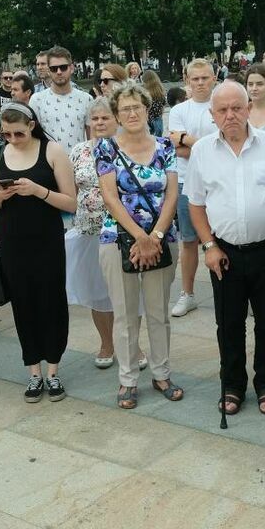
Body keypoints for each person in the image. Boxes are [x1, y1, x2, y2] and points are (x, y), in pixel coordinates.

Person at [187, 81, 265, 416]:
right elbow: (197, 205)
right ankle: (232, 384)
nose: (230, 115)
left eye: (237, 108)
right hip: (225, 252)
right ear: (212, 115)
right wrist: (209, 246)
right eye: (223, 110)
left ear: (248, 108)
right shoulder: (202, 150)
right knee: (228, 322)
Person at [0, 102, 77, 402]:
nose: (13, 139)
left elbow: (71, 203)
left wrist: (38, 191)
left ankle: (53, 370)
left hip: (47, 240)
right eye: (6, 134)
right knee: (23, 305)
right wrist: (1, 193)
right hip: (12, 242)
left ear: (32, 125)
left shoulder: (53, 151)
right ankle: (33, 371)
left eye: (19, 133)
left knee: (52, 302)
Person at [97, 82, 183, 409]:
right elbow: (110, 196)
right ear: (117, 114)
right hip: (117, 239)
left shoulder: (165, 146)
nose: (132, 113)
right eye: (125, 109)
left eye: (137, 107)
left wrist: (156, 237)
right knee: (125, 314)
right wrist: (140, 237)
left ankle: (161, 373)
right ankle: (128, 379)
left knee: (159, 312)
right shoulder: (105, 148)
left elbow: (172, 194)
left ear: (148, 110)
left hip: (162, 239)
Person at [67, 98, 120, 368]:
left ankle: (129, 344)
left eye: (105, 118)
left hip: (121, 231)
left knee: (125, 291)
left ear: (116, 119)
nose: (99, 123)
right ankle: (107, 343)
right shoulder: (78, 151)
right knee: (98, 290)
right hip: (89, 230)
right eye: (95, 118)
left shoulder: (126, 148)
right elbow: (71, 191)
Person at [167, 58, 219, 317]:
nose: (200, 83)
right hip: (187, 182)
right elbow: (177, 149)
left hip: (220, 182)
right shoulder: (179, 111)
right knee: (188, 240)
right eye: (195, 79)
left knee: (222, 239)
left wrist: (188, 140)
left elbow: (224, 145)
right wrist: (206, 145)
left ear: (214, 78)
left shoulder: (220, 106)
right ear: (187, 81)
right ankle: (187, 294)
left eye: (204, 78)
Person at [30, 47, 91, 154]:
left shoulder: (87, 99)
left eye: (63, 67)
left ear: (71, 68)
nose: (59, 72)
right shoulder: (37, 100)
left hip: (78, 164)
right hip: (47, 165)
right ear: (49, 70)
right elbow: (32, 138)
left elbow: (92, 139)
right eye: (54, 68)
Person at [140, 70, 167, 137]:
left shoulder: (143, 90)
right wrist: (160, 114)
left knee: (148, 136)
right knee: (158, 137)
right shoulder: (159, 89)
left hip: (147, 117)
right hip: (157, 117)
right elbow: (163, 103)